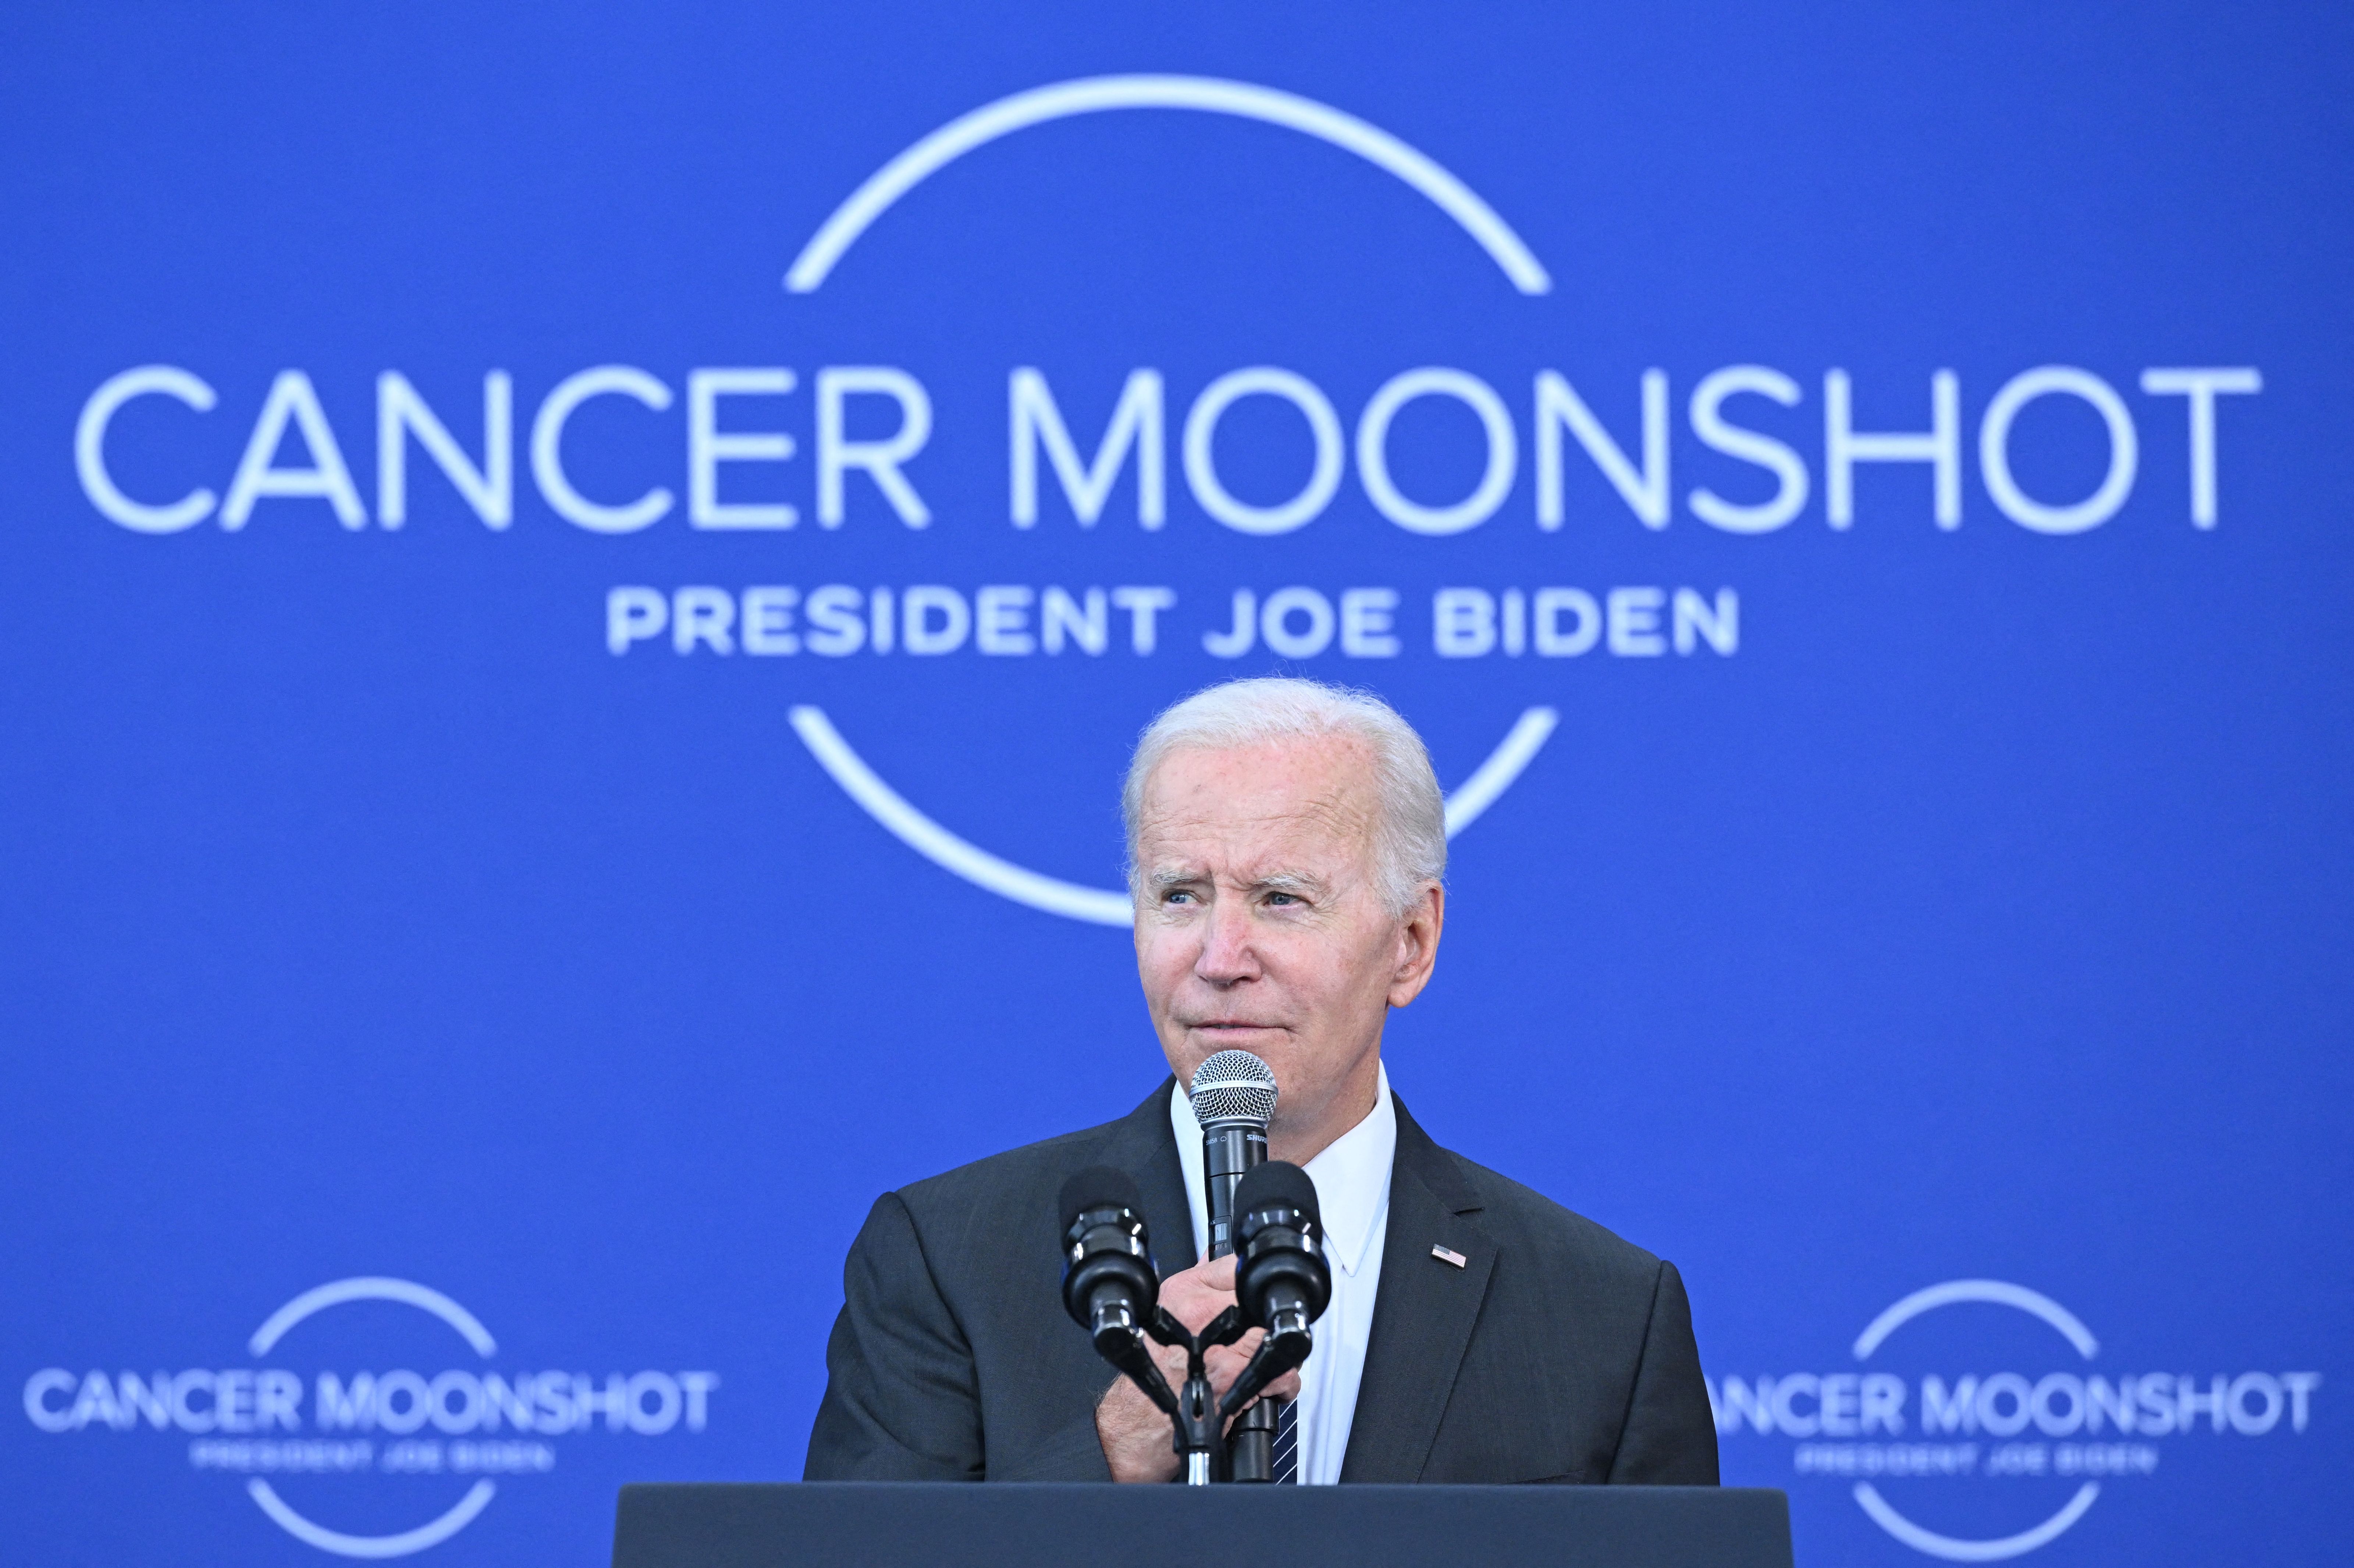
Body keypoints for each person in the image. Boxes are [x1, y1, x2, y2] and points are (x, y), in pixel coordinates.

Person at [804, 677, 1717, 1485]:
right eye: (1179, 896)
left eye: (1280, 898)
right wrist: (1110, 1453)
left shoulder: (1604, 1315)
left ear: (1412, 941)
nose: (1218, 957)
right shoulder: (946, 1259)